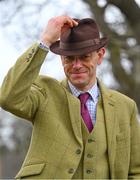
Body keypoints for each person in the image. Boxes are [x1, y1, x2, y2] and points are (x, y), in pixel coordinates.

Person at [0, 15, 140, 179]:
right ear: (61, 59)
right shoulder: (44, 93)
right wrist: (44, 41)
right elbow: (8, 98)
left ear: (100, 55)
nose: (77, 65)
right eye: (69, 58)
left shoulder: (125, 106)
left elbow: (135, 171)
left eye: (85, 57)